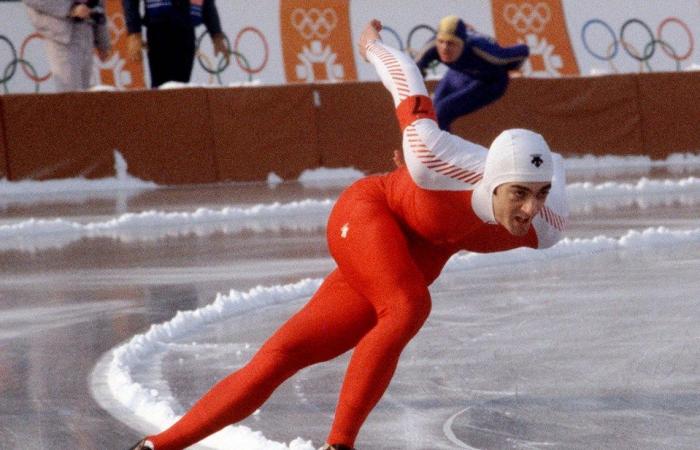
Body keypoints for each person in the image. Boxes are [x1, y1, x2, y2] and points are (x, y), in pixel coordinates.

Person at [128, 19, 568, 450]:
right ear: (491, 182)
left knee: (285, 353)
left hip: (414, 256)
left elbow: (554, 176)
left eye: (540, 193)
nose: (529, 208)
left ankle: (156, 446)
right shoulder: (432, 155)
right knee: (407, 305)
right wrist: (372, 44)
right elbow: (405, 82)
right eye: (518, 194)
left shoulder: (545, 225)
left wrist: (546, 184)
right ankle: (339, 445)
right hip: (369, 215)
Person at [415, 15, 530, 131]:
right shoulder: (432, 47)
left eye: (451, 43)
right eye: (441, 42)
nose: (444, 48)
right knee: (431, 111)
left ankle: (445, 148)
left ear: (463, 44)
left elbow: (523, 50)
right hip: (460, 73)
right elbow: (414, 69)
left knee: (441, 111)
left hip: (489, 82)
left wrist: (514, 68)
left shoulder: (484, 51)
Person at [121, 0, 228, 88]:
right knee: (162, 88)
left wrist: (216, 33)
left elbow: (207, 3)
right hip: (159, 29)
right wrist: (134, 32)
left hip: (186, 29)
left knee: (181, 88)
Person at [22, 0, 110, 92]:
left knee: (85, 96)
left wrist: (102, 41)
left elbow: (98, 4)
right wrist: (70, 8)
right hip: (61, 34)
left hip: (87, 30)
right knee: (70, 94)